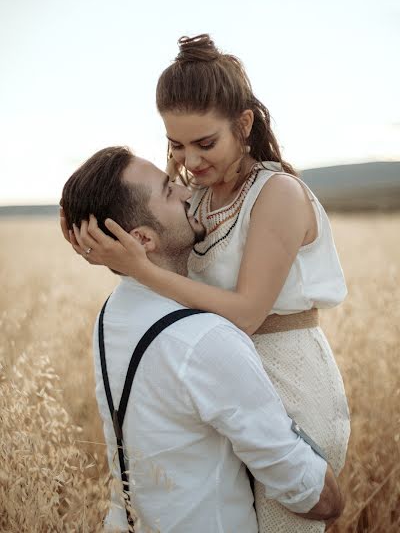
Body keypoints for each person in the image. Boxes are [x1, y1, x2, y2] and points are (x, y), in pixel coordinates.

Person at [66, 34, 351, 533]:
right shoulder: (196, 195)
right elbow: (146, 222)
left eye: (206, 143)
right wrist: (91, 232)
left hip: (289, 380)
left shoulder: (276, 193)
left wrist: (141, 269)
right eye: (177, 144)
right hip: (224, 378)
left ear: (244, 125)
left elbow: (244, 314)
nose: (191, 162)